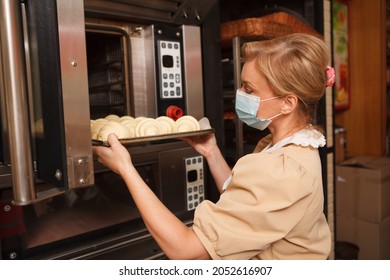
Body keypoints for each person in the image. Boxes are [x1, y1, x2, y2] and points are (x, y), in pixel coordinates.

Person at [93, 33, 334, 260]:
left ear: (287, 103)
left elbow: (188, 251)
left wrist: (126, 168)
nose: (239, 94)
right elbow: (249, 203)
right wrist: (211, 152)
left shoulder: (283, 170)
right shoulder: (290, 146)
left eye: (249, 89)